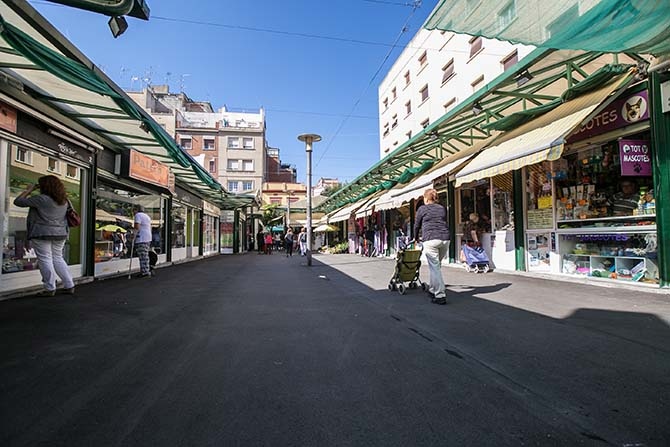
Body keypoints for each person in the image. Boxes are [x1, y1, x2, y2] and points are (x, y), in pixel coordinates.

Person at [13, 175, 75, 296]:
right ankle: (69, 285)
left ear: (44, 187)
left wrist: (29, 190)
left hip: (42, 233)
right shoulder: (65, 200)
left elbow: (18, 202)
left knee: (45, 258)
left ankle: (50, 288)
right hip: (60, 233)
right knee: (58, 258)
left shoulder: (41, 199)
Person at [413, 189, 449, 305]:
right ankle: (432, 289)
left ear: (426, 198)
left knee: (435, 267)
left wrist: (415, 237)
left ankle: (440, 295)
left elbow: (416, 225)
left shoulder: (422, 209)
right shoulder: (441, 208)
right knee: (436, 267)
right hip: (445, 239)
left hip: (431, 239)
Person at [133, 205, 152, 278]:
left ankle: (145, 272)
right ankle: (146, 270)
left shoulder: (138, 215)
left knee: (142, 255)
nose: (133, 212)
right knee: (145, 255)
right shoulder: (147, 216)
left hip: (141, 237)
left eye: (133, 210)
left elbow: (137, 227)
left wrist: (134, 235)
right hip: (147, 237)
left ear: (136, 210)